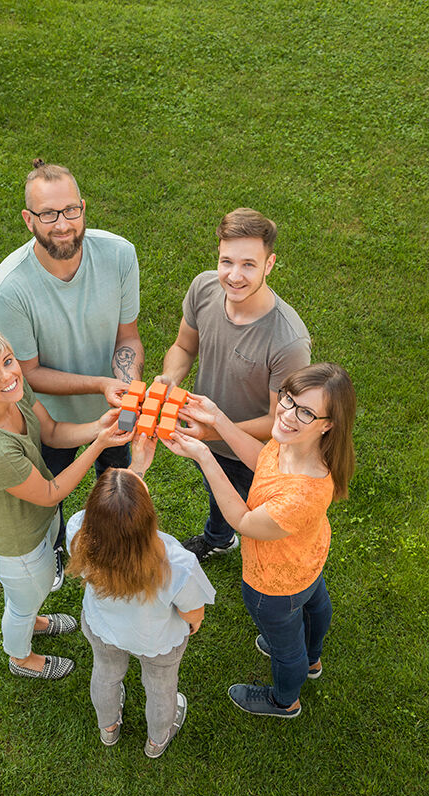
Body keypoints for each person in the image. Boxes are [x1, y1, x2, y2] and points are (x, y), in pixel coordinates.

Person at [162, 363, 356, 718]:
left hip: (274, 585)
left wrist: (205, 456)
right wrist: (218, 419)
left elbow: (243, 521)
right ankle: (312, 660)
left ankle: (285, 700)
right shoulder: (301, 446)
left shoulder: (302, 494)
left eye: (306, 412)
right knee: (315, 608)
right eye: (288, 398)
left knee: (286, 650)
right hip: (307, 562)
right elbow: (263, 460)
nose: (287, 414)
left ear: (328, 424)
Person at [0, 160, 144, 577]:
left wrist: (126, 391)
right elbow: (26, 372)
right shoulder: (10, 288)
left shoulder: (119, 255)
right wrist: (100, 383)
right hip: (50, 420)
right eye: (48, 214)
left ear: (83, 207)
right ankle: (57, 547)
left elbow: (127, 337)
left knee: (115, 484)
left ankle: (110, 550)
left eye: (71, 210)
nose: (62, 224)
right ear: (29, 219)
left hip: (113, 411)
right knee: (51, 495)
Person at [0, 327, 134, 681]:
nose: (8, 375)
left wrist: (97, 427)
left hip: (38, 520)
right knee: (22, 601)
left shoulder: (12, 391)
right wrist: (99, 445)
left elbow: (49, 431)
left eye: (7, 361)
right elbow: (51, 493)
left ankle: (32, 616)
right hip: (16, 541)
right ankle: (20, 657)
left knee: (29, 594)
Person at [156, 208, 311, 563]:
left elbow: (280, 423)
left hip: (250, 453)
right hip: (205, 435)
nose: (234, 276)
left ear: (269, 264)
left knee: (258, 521)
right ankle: (220, 537)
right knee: (216, 488)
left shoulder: (288, 342)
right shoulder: (204, 288)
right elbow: (183, 346)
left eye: (248, 265)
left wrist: (213, 432)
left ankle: (277, 576)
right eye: (227, 261)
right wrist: (169, 379)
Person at [65, 435, 216, 757]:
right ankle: (156, 740)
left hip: (102, 629)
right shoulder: (177, 563)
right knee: (161, 690)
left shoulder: (78, 532)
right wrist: (193, 624)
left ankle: (108, 729)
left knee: (105, 674)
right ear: (147, 518)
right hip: (158, 640)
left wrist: (138, 467)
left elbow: (112, 512)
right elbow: (193, 612)